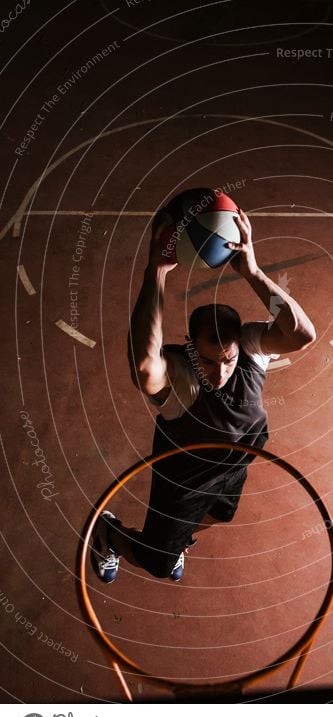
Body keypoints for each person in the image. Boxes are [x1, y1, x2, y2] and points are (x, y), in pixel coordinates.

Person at [91, 205, 316, 583]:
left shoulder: (249, 347)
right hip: (184, 482)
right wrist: (157, 273)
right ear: (191, 348)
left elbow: (302, 335)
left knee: (221, 514)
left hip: (233, 465)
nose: (221, 371)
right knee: (158, 564)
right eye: (209, 361)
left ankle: (179, 540)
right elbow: (145, 366)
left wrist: (253, 271)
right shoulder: (183, 378)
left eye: (227, 360)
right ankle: (109, 533)